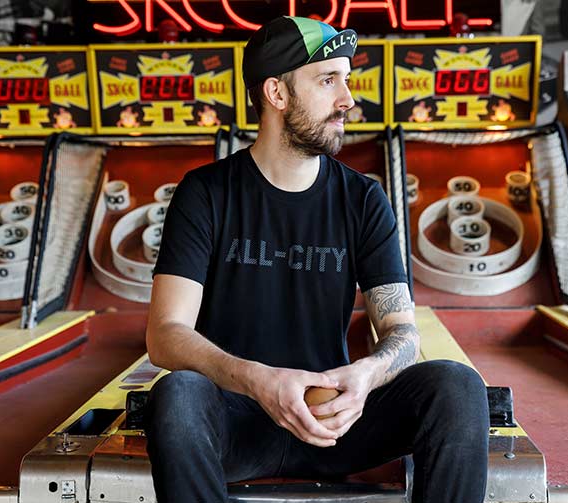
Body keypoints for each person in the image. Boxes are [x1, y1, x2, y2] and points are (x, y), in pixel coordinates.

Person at [144, 16, 489, 503]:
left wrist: (367, 375)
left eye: (346, 80)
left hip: (334, 422)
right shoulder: (205, 193)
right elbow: (165, 335)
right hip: (237, 421)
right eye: (328, 80)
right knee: (177, 395)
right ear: (277, 94)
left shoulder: (364, 199)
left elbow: (402, 333)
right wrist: (259, 380)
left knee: (456, 385)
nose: (347, 98)